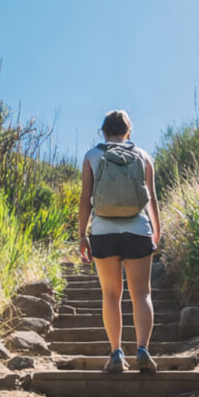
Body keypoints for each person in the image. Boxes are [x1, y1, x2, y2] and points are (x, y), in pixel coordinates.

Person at [77, 110, 161, 373]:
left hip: (103, 232)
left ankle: (116, 353)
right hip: (138, 229)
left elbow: (85, 198)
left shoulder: (92, 155)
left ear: (104, 131)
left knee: (111, 295)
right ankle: (143, 350)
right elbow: (153, 199)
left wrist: (82, 235)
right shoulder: (144, 155)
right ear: (128, 131)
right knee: (142, 293)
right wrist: (156, 231)